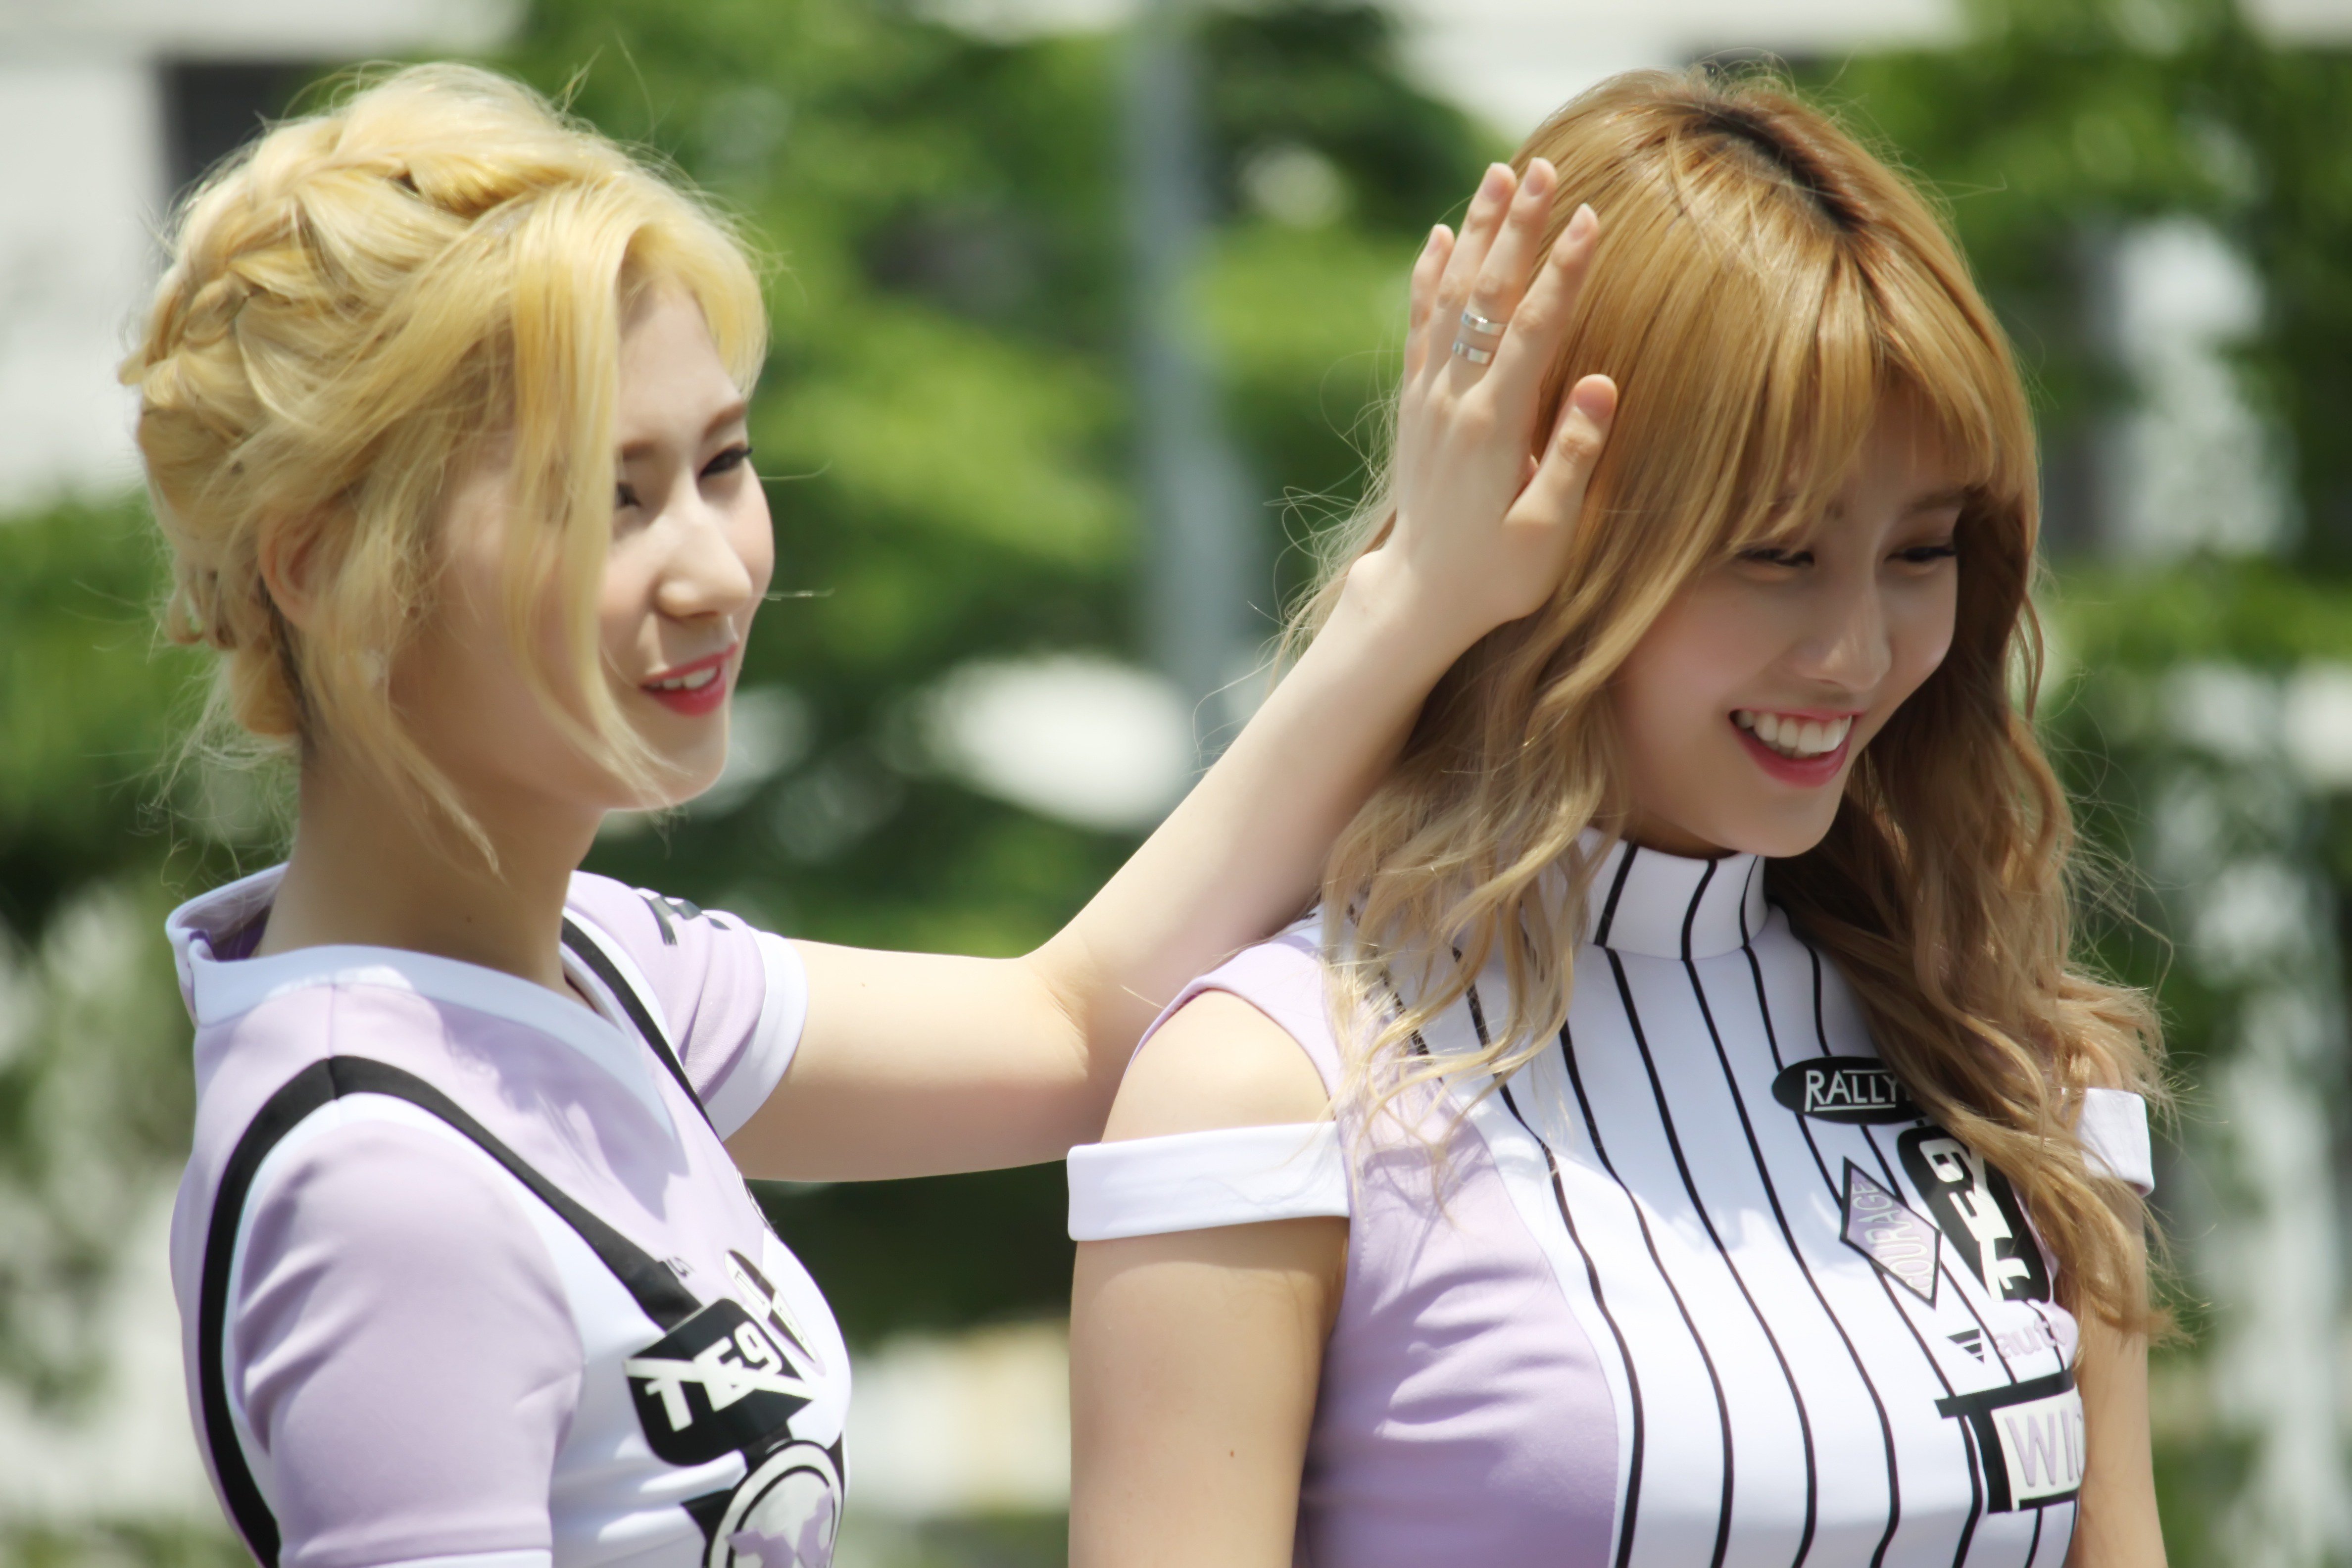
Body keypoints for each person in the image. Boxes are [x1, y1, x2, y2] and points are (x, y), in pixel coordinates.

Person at [125, 64, 1621, 1568]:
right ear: (323, 569)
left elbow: (1073, 1028)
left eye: (721, 463)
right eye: (605, 499)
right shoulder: (379, 1173)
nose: (715, 570)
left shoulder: (599, 975)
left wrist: (1421, 594)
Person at [1067, 69, 2167, 1568]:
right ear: (1551, 531)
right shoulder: (1267, 1084)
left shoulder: (2016, 1063)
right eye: (1779, 555)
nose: (1857, 653)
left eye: (1922, 552)